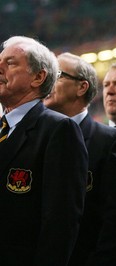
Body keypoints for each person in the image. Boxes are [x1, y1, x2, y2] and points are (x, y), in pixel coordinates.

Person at [0, 36, 87, 265]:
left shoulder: (59, 130)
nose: (0, 68)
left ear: (38, 77)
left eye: (10, 63)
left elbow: (61, 222)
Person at [43, 52, 116, 265]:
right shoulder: (38, 137)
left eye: (56, 75)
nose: (47, 81)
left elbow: (115, 219)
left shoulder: (112, 142)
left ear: (81, 87)